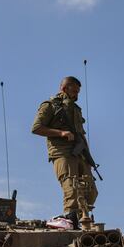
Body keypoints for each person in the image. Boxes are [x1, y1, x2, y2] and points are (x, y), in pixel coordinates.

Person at [32, 76, 97, 227]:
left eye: (78, 92)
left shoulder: (75, 109)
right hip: (62, 152)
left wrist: (89, 157)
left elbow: (81, 134)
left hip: (80, 153)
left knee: (90, 190)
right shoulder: (50, 105)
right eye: (74, 91)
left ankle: (80, 218)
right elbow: (36, 128)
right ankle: (70, 220)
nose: (77, 95)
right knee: (72, 187)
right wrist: (61, 133)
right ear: (64, 88)